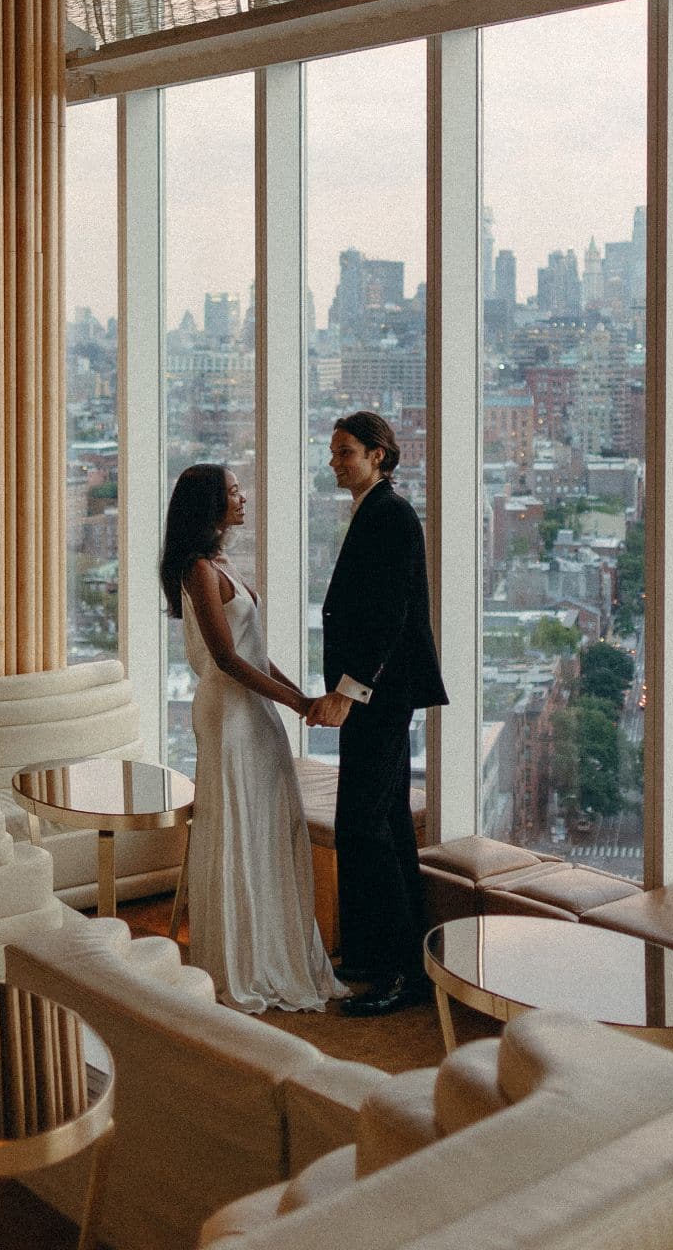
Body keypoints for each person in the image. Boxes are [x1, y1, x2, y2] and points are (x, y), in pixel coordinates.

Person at [161, 463, 347, 1014]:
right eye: (235, 492)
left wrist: (302, 698)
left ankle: (273, 947)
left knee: (267, 821)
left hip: (252, 708)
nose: (244, 498)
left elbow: (255, 651)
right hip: (230, 713)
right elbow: (225, 658)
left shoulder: (220, 563)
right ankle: (242, 961)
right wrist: (296, 704)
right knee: (240, 825)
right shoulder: (198, 569)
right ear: (210, 505)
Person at [307, 411, 447, 1018]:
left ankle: (399, 973)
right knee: (380, 824)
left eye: (345, 452)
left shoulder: (391, 514)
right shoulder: (375, 510)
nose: (335, 461)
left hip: (378, 700)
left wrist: (349, 690)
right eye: (334, 452)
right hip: (375, 700)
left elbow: (391, 613)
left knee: (366, 827)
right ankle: (378, 958)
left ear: (379, 456)